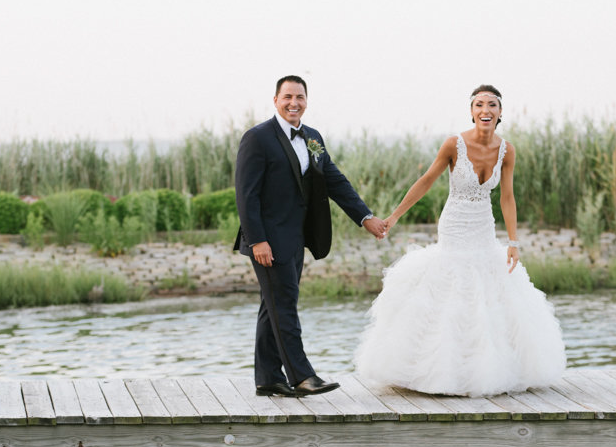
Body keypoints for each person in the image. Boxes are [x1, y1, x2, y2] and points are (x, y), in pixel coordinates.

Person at [355, 84, 566, 397]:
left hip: (483, 225)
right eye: (479, 104)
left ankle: (487, 369)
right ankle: (436, 369)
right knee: (454, 287)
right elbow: (427, 180)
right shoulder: (454, 144)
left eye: (492, 105)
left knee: (488, 290)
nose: (485, 110)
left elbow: (507, 196)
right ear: (471, 112)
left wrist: (513, 241)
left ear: (500, 113)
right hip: (454, 224)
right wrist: (395, 216)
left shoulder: (507, 150)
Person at [235, 75, 387, 397]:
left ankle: (267, 378)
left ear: (307, 100)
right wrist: (256, 240)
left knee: (273, 305)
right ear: (275, 100)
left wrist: (366, 217)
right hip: (267, 241)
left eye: (300, 97)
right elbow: (246, 195)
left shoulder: (313, 137)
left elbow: (335, 181)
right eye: (287, 96)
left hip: (296, 238)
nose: (294, 103)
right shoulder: (258, 137)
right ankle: (302, 376)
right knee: (285, 304)